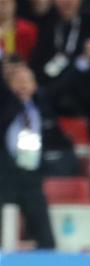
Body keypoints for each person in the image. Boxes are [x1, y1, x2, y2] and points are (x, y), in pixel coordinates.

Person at [0, 63, 57, 248]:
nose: (23, 85)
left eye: (27, 80)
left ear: (35, 85)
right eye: (18, 80)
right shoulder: (5, 107)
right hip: (5, 176)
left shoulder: (43, 109)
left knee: (45, 238)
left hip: (32, 176)